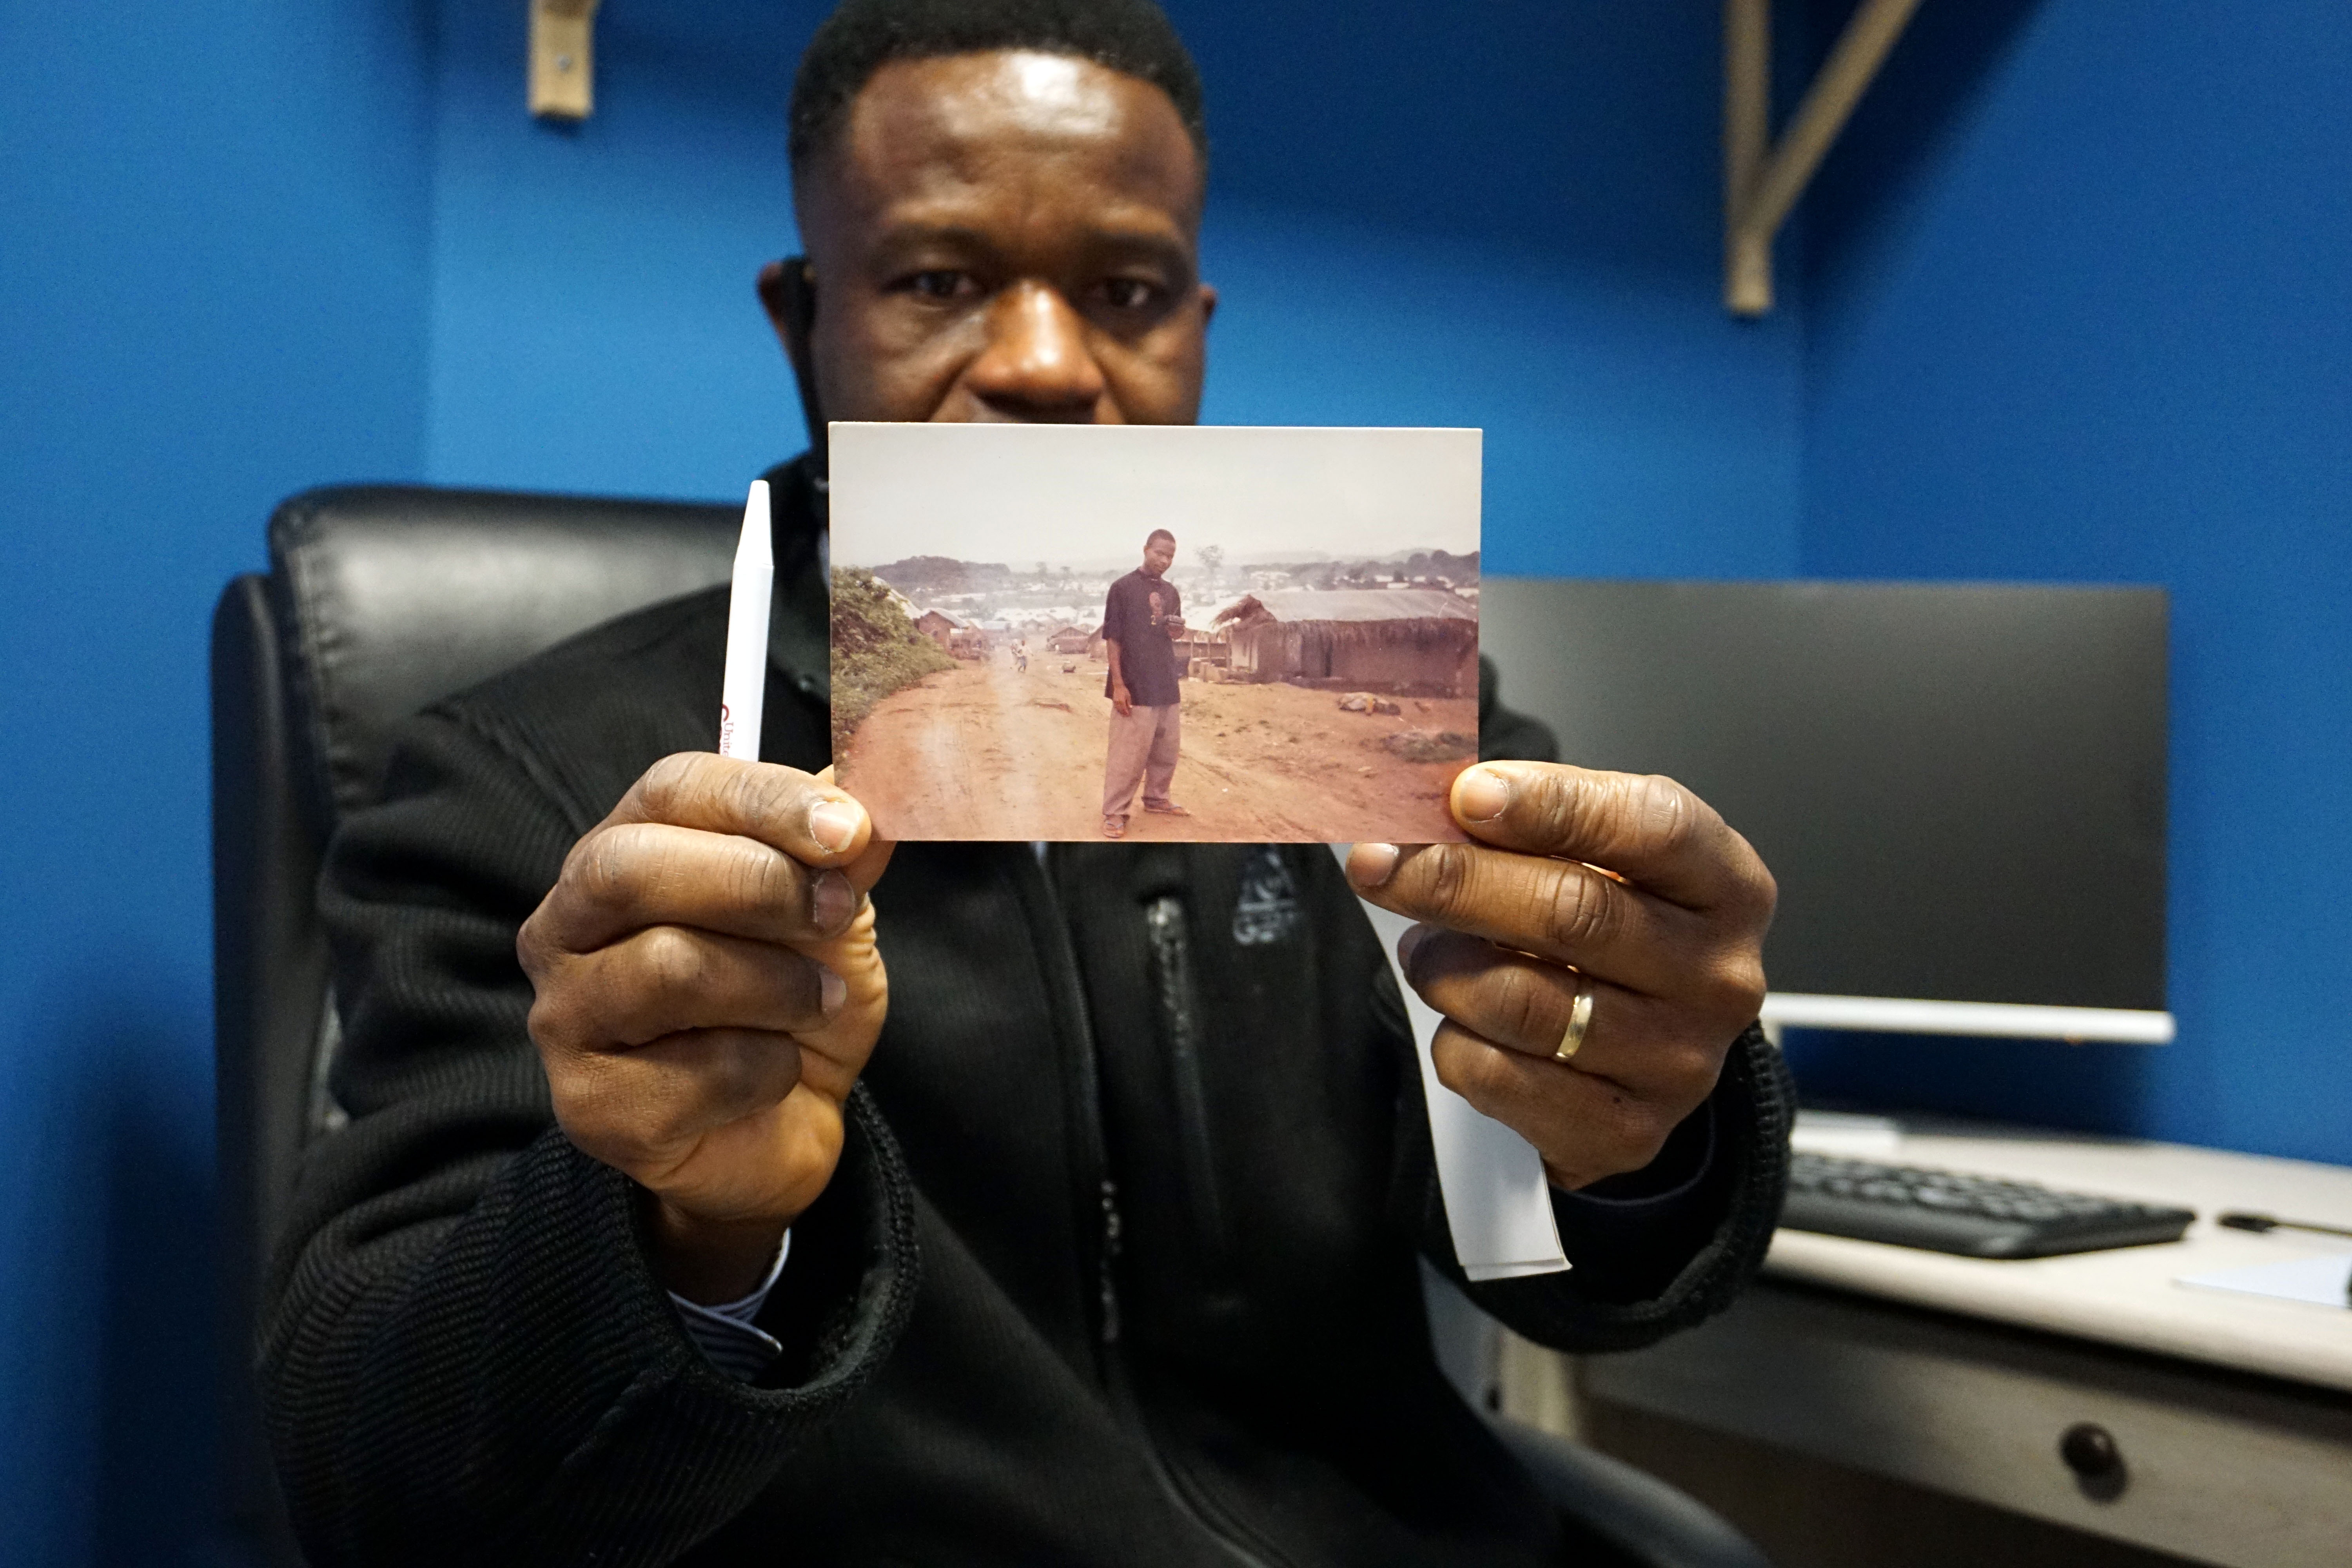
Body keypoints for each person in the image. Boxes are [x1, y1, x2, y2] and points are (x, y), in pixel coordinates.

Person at [260, 2, 1789, 1564]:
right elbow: (371, 1475)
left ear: (1197, 328)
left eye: (1123, 293)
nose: (1049, 366)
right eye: (939, 281)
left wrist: (1645, 1120)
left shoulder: (1389, 729)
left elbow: (1539, 1242)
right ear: (805, 323)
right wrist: (683, 1230)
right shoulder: (531, 784)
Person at [1100, 527, 1188, 837]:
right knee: (1128, 753)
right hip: (1134, 684)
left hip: (1165, 680)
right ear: (1146, 549)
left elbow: (1170, 632)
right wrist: (1119, 685)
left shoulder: (1171, 593)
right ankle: (1115, 812)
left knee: (1167, 749)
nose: (1165, 560)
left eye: (1171, 556)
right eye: (1160, 553)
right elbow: (1113, 638)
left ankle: (1156, 798)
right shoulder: (1122, 588)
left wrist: (1176, 631)